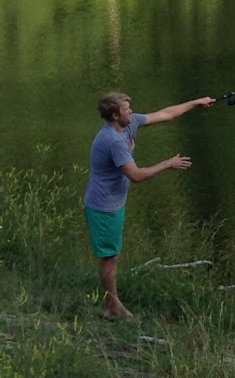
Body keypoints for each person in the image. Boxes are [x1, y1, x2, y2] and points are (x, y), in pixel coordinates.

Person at [83, 90, 215, 319]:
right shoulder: (113, 141)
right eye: (127, 109)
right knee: (109, 256)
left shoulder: (128, 124)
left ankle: (111, 304)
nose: (131, 112)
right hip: (103, 206)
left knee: (112, 255)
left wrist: (197, 102)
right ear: (115, 115)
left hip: (113, 203)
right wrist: (167, 163)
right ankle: (111, 307)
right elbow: (136, 175)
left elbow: (165, 114)